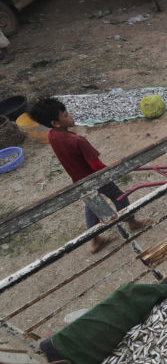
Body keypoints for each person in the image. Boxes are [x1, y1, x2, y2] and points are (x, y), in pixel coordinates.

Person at [28, 97, 151, 253]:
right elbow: (96, 165)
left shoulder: (52, 135)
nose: (70, 116)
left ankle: (94, 239)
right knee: (119, 196)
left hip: (79, 180)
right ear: (55, 123)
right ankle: (132, 222)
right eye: (65, 115)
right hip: (96, 178)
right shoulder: (78, 141)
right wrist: (111, 171)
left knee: (92, 205)